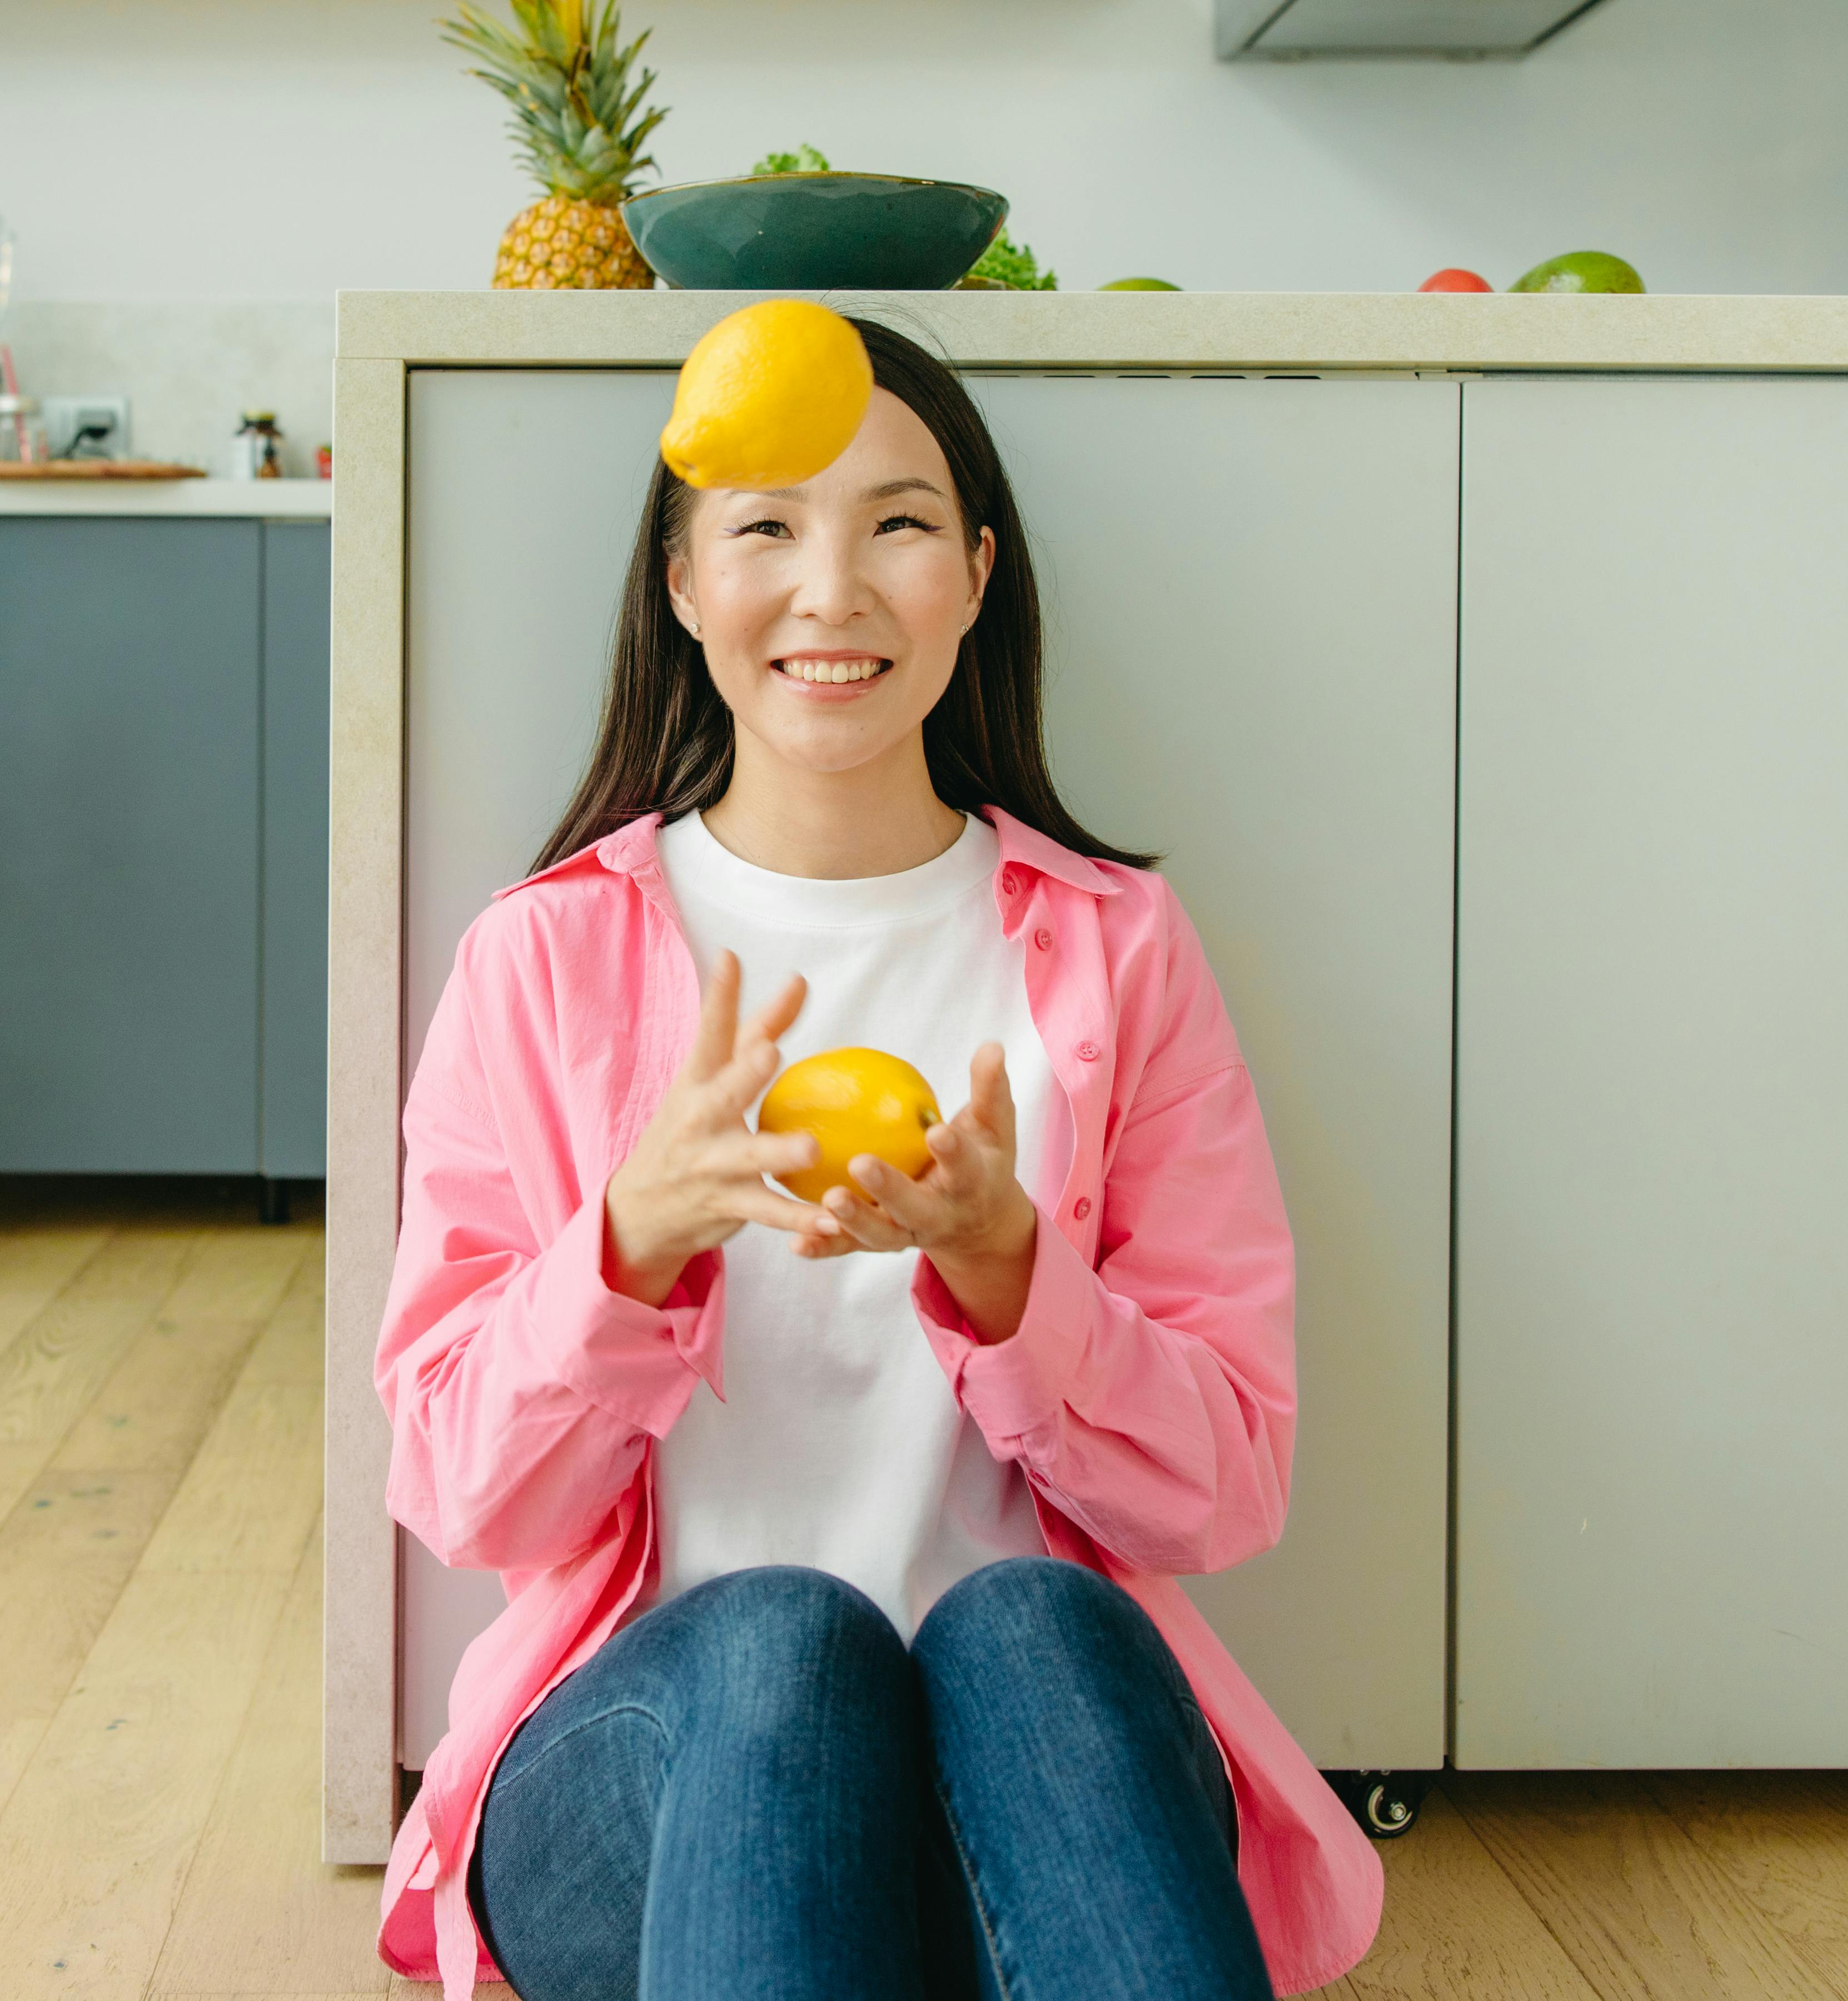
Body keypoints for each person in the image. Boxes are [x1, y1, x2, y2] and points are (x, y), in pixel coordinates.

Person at [372, 320, 1384, 1999]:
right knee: (787, 1639)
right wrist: (624, 1242)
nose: (831, 588)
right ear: (684, 582)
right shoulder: (539, 960)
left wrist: (1012, 1280)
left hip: (1032, 1793)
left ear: (977, 576)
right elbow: (460, 1492)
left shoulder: (1117, 952)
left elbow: (1224, 1491)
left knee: (1038, 1627)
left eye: (900, 523)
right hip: (652, 1792)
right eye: (765, 527)